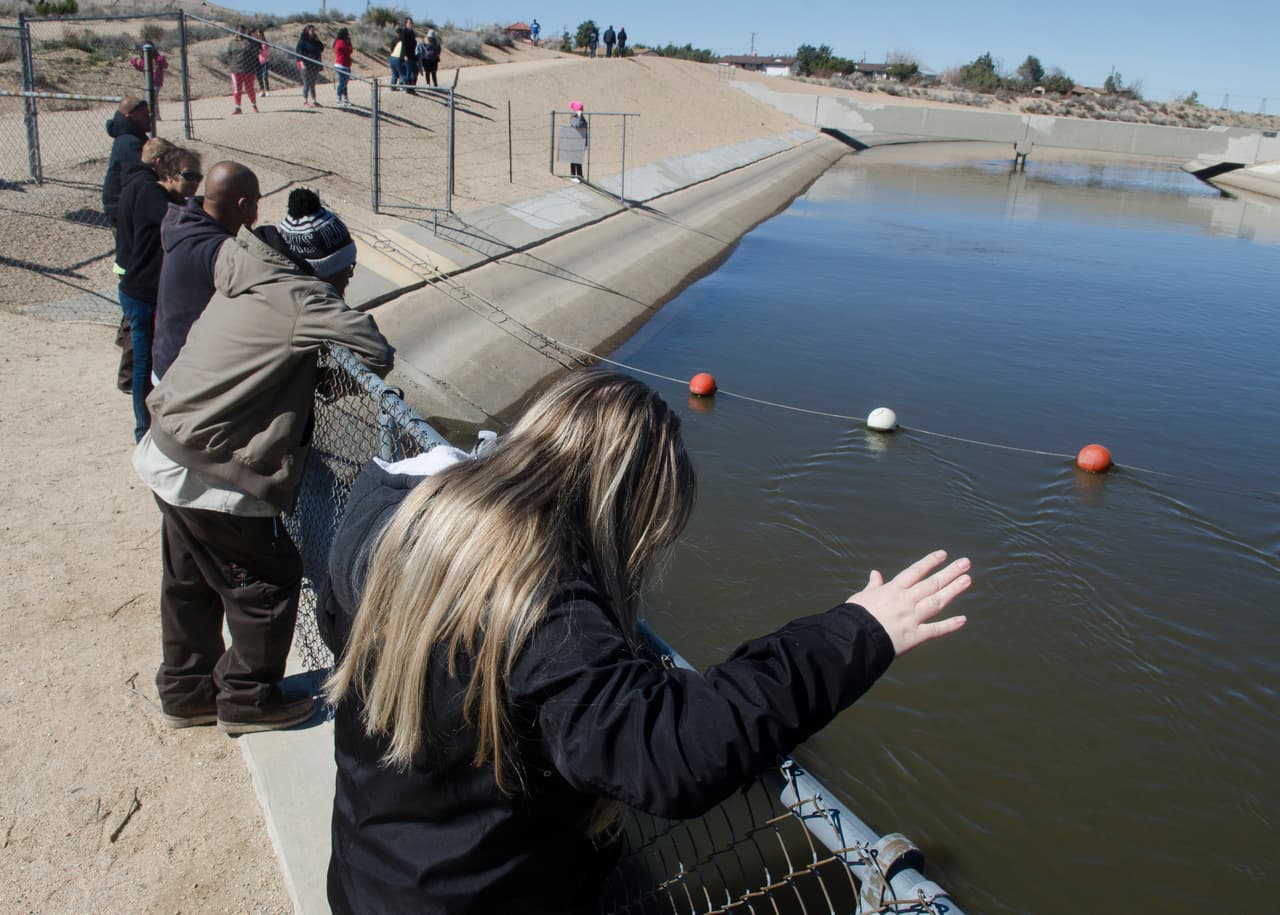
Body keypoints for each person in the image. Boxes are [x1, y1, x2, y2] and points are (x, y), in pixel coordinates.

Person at [319, 368, 971, 913]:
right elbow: (674, 751)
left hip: (365, 869)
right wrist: (858, 631)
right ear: (618, 509)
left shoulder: (392, 510)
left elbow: (332, 622)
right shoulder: (547, 614)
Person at [134, 187, 395, 735]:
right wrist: (324, 372)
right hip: (211, 467)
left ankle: (185, 690)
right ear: (324, 268)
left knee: (190, 579)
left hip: (166, 446)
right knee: (266, 582)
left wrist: (305, 376)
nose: (349, 282)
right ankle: (249, 699)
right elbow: (375, 350)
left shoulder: (245, 266)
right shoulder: (305, 299)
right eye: (345, 273)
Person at [115, 141, 201, 441]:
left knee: (151, 357)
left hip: (146, 293)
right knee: (144, 362)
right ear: (167, 171)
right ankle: (144, 430)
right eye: (190, 176)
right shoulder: (154, 195)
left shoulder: (156, 193)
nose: (194, 185)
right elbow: (181, 218)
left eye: (199, 179)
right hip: (141, 294)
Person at [153, 161, 260, 381]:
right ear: (243, 205)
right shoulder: (219, 251)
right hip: (185, 375)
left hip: (167, 359)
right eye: (256, 203)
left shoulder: (184, 223)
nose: (258, 212)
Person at [102, 94, 151, 393]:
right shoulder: (130, 144)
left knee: (132, 285)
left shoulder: (127, 136)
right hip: (127, 220)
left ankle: (125, 337)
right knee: (136, 283)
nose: (150, 117)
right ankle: (129, 373)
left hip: (124, 217)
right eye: (145, 114)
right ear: (132, 115)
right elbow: (143, 179)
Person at [130, 44, 168, 120]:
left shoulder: (159, 58)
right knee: (152, 98)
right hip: (148, 82)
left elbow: (166, 66)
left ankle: (155, 116)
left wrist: (161, 61)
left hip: (157, 82)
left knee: (153, 98)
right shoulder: (143, 60)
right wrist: (134, 63)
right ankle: (155, 116)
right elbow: (141, 68)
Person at [228, 25, 259, 115]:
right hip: (236, 69)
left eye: (242, 31)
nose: (241, 33)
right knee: (237, 89)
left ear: (245, 32)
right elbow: (229, 54)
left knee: (249, 89)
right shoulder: (232, 42)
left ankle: (254, 105)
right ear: (236, 31)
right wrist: (231, 65)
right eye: (239, 31)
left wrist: (249, 46)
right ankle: (238, 108)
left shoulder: (251, 41)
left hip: (249, 69)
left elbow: (256, 52)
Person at [296, 25, 325, 108]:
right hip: (305, 65)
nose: (313, 32)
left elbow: (321, 48)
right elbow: (298, 53)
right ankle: (305, 101)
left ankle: (314, 101)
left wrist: (317, 40)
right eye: (311, 31)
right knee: (306, 83)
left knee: (312, 83)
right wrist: (301, 63)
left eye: (313, 31)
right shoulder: (302, 41)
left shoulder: (315, 40)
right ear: (307, 31)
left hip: (314, 65)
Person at [564, 99, 588, 181]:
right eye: (581, 108)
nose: (583, 110)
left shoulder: (581, 117)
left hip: (581, 142)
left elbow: (585, 128)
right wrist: (579, 117)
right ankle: (573, 176)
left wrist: (586, 143)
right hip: (575, 141)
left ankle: (580, 176)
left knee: (578, 160)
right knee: (574, 159)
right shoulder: (574, 117)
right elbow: (577, 125)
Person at [396, 17, 418, 93]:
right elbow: (403, 44)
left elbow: (414, 43)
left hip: (412, 55)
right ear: (406, 24)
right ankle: (407, 88)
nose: (411, 24)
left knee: (415, 71)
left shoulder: (412, 33)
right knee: (408, 72)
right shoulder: (404, 32)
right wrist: (405, 55)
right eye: (409, 23)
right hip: (406, 55)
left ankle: (412, 87)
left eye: (411, 23)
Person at [333, 27, 353, 106]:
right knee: (342, 82)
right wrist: (347, 44)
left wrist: (349, 43)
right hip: (340, 65)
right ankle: (338, 98)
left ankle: (345, 98)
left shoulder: (347, 42)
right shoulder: (339, 42)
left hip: (347, 65)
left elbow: (350, 50)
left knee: (345, 82)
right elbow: (344, 49)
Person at [255, 28, 272, 96]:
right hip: (257, 61)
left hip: (265, 61)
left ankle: (267, 90)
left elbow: (267, 52)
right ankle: (262, 90)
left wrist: (261, 51)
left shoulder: (265, 42)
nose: (259, 36)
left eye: (260, 35)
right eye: (258, 35)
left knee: (265, 76)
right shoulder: (256, 42)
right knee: (259, 76)